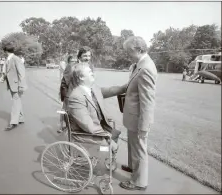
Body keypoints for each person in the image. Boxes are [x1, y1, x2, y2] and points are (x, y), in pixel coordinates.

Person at [119, 36, 157, 191]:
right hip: (132, 117)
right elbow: (130, 87)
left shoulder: (146, 68)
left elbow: (148, 101)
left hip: (138, 119)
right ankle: (133, 167)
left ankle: (139, 182)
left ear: (140, 49)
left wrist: (144, 126)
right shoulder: (138, 64)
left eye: (130, 51)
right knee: (132, 146)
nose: (127, 54)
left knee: (139, 149)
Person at [67, 63, 127, 158]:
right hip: (84, 134)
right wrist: (108, 139)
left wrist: (125, 88)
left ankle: (104, 154)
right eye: (90, 72)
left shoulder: (93, 89)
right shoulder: (76, 97)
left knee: (115, 133)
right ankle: (98, 154)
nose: (93, 73)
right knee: (108, 144)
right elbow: (88, 126)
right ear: (81, 77)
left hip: (96, 128)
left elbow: (110, 90)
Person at [0, 42, 27, 131]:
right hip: (12, 84)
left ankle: (13, 122)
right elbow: (6, 70)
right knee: (17, 100)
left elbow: (21, 73)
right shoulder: (8, 59)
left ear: (5, 51)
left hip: (16, 84)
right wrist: (3, 78)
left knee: (16, 102)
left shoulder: (16, 59)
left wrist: (21, 86)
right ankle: (21, 118)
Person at [58, 54, 78, 133]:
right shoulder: (69, 67)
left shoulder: (76, 67)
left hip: (73, 92)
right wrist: (64, 94)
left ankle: (68, 126)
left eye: (75, 61)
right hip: (68, 92)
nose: (74, 62)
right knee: (64, 110)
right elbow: (65, 82)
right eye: (72, 61)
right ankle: (61, 126)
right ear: (69, 62)